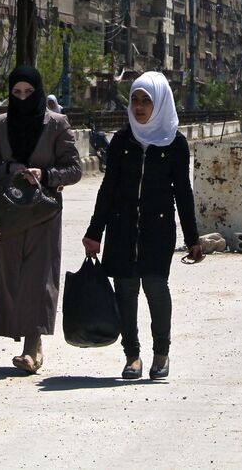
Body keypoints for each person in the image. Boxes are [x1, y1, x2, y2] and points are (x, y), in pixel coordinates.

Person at [84, 72, 202, 380]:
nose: (139, 107)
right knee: (125, 289)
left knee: (154, 286)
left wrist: (193, 238)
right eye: (135, 100)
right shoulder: (123, 140)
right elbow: (107, 189)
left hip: (158, 229)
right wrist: (94, 232)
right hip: (122, 227)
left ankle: (161, 353)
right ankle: (132, 356)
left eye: (146, 101)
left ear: (160, 102)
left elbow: (183, 193)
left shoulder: (175, 144)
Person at [0, 65, 81, 374]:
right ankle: (18, 331)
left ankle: (33, 346)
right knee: (11, 274)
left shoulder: (56, 125)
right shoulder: (0, 125)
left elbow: (74, 168)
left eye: (29, 92)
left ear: (38, 92)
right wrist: (11, 170)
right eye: (17, 93)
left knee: (39, 277)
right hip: (10, 210)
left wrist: (46, 174)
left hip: (44, 210)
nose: (23, 98)